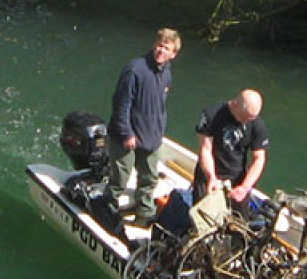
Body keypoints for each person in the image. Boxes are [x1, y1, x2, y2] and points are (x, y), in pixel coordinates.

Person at [106, 28, 180, 213]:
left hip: (150, 137)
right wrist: (126, 133)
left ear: (173, 54)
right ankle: (107, 208)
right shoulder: (135, 70)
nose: (161, 51)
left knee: (149, 179)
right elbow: (120, 105)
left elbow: (159, 105)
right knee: (120, 180)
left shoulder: (166, 73)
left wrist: (158, 131)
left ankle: (145, 213)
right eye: (159, 45)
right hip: (126, 138)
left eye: (166, 48)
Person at [193, 89, 269, 213]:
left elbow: (259, 159)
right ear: (235, 104)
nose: (247, 122)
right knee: (202, 217)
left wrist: (245, 187)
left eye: (251, 119)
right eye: (244, 118)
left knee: (239, 221)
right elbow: (206, 149)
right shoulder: (211, 114)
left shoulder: (256, 123)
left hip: (237, 177)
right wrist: (212, 177)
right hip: (210, 173)